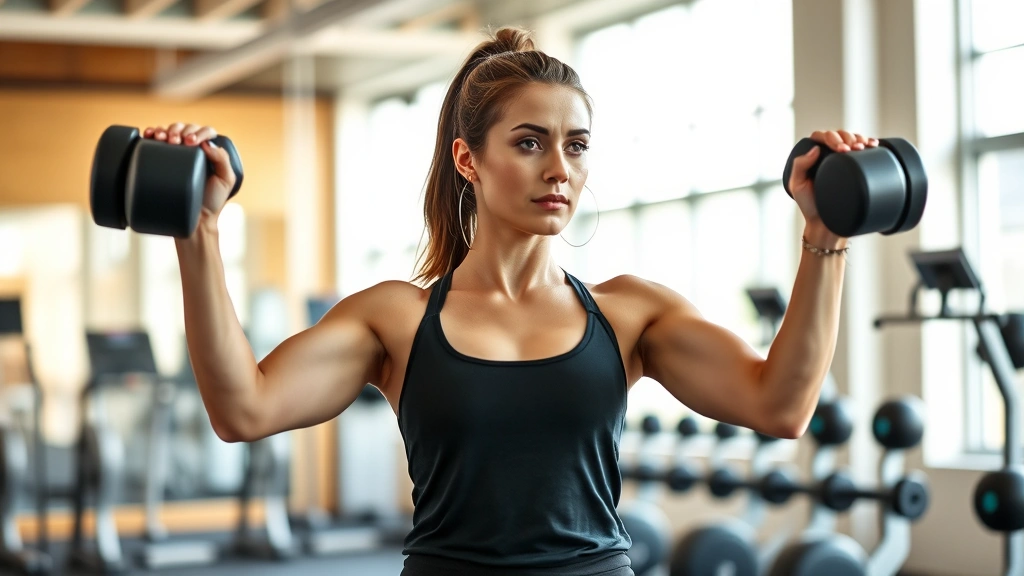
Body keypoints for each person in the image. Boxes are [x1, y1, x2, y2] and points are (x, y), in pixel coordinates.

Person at [151, 26, 871, 576]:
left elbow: (781, 406)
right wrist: (199, 233)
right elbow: (242, 410)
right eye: (530, 143)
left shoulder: (630, 315)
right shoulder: (396, 320)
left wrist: (825, 237)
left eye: (576, 146)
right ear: (468, 159)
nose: (559, 168)